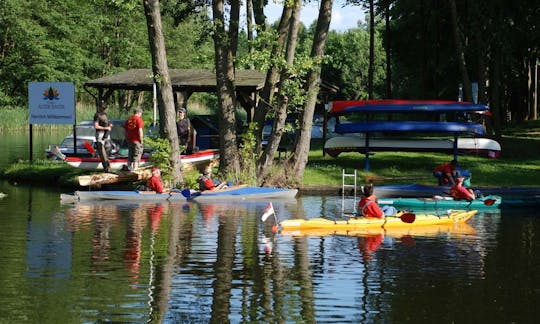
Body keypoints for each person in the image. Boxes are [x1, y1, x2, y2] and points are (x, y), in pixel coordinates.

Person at [93, 100, 113, 172]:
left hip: (107, 134)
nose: (103, 109)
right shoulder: (97, 115)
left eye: (104, 107)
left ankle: (107, 163)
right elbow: (96, 126)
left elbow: (107, 123)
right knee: (102, 151)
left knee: (109, 148)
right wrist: (106, 128)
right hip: (100, 134)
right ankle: (107, 168)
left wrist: (109, 125)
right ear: (99, 107)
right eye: (102, 107)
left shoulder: (105, 114)